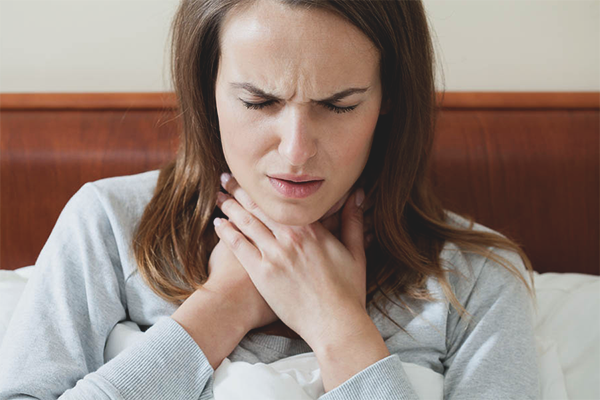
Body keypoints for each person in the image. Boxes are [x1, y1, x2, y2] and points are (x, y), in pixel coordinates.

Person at [0, 0, 541, 398]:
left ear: (389, 98)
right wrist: (219, 310)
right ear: (207, 90)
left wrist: (340, 330)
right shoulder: (108, 225)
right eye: (259, 102)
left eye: (339, 105)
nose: (296, 150)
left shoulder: (479, 280)